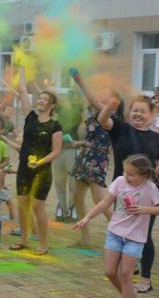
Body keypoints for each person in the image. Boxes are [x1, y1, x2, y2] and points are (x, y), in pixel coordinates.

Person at [74, 154, 159, 298]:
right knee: (110, 272)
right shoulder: (120, 182)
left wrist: (146, 210)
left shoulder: (150, 188)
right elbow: (104, 203)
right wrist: (87, 218)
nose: (126, 176)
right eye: (125, 172)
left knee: (125, 274)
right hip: (115, 233)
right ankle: (129, 294)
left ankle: (127, 294)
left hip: (135, 237)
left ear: (143, 175)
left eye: (131, 174)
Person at [99, 95, 159, 293]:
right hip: (122, 190)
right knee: (123, 229)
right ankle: (126, 277)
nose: (138, 114)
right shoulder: (121, 129)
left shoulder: (156, 137)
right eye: (135, 110)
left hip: (147, 193)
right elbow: (102, 120)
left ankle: (145, 277)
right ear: (129, 112)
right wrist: (109, 106)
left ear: (152, 115)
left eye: (143, 111)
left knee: (144, 234)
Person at [9, 68, 62, 256]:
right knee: (22, 203)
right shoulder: (30, 117)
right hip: (24, 166)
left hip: (42, 170)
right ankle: (23, 239)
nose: (40, 101)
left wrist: (40, 162)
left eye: (45, 99)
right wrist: (22, 68)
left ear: (52, 105)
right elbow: (23, 90)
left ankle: (43, 243)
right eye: (39, 98)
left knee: (38, 206)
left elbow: (56, 151)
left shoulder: (55, 126)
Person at [68, 69, 117, 247]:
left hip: (97, 160)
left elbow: (93, 101)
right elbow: (92, 140)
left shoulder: (112, 117)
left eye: (105, 99)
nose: (100, 101)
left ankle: (121, 236)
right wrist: (78, 143)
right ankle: (85, 238)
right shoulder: (93, 116)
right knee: (77, 197)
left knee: (100, 201)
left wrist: (80, 81)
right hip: (85, 157)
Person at [54, 88, 84, 221]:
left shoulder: (81, 110)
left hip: (72, 150)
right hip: (58, 149)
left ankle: (72, 207)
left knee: (73, 183)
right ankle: (62, 207)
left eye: (74, 94)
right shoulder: (62, 108)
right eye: (70, 94)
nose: (72, 96)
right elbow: (51, 97)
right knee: (59, 181)